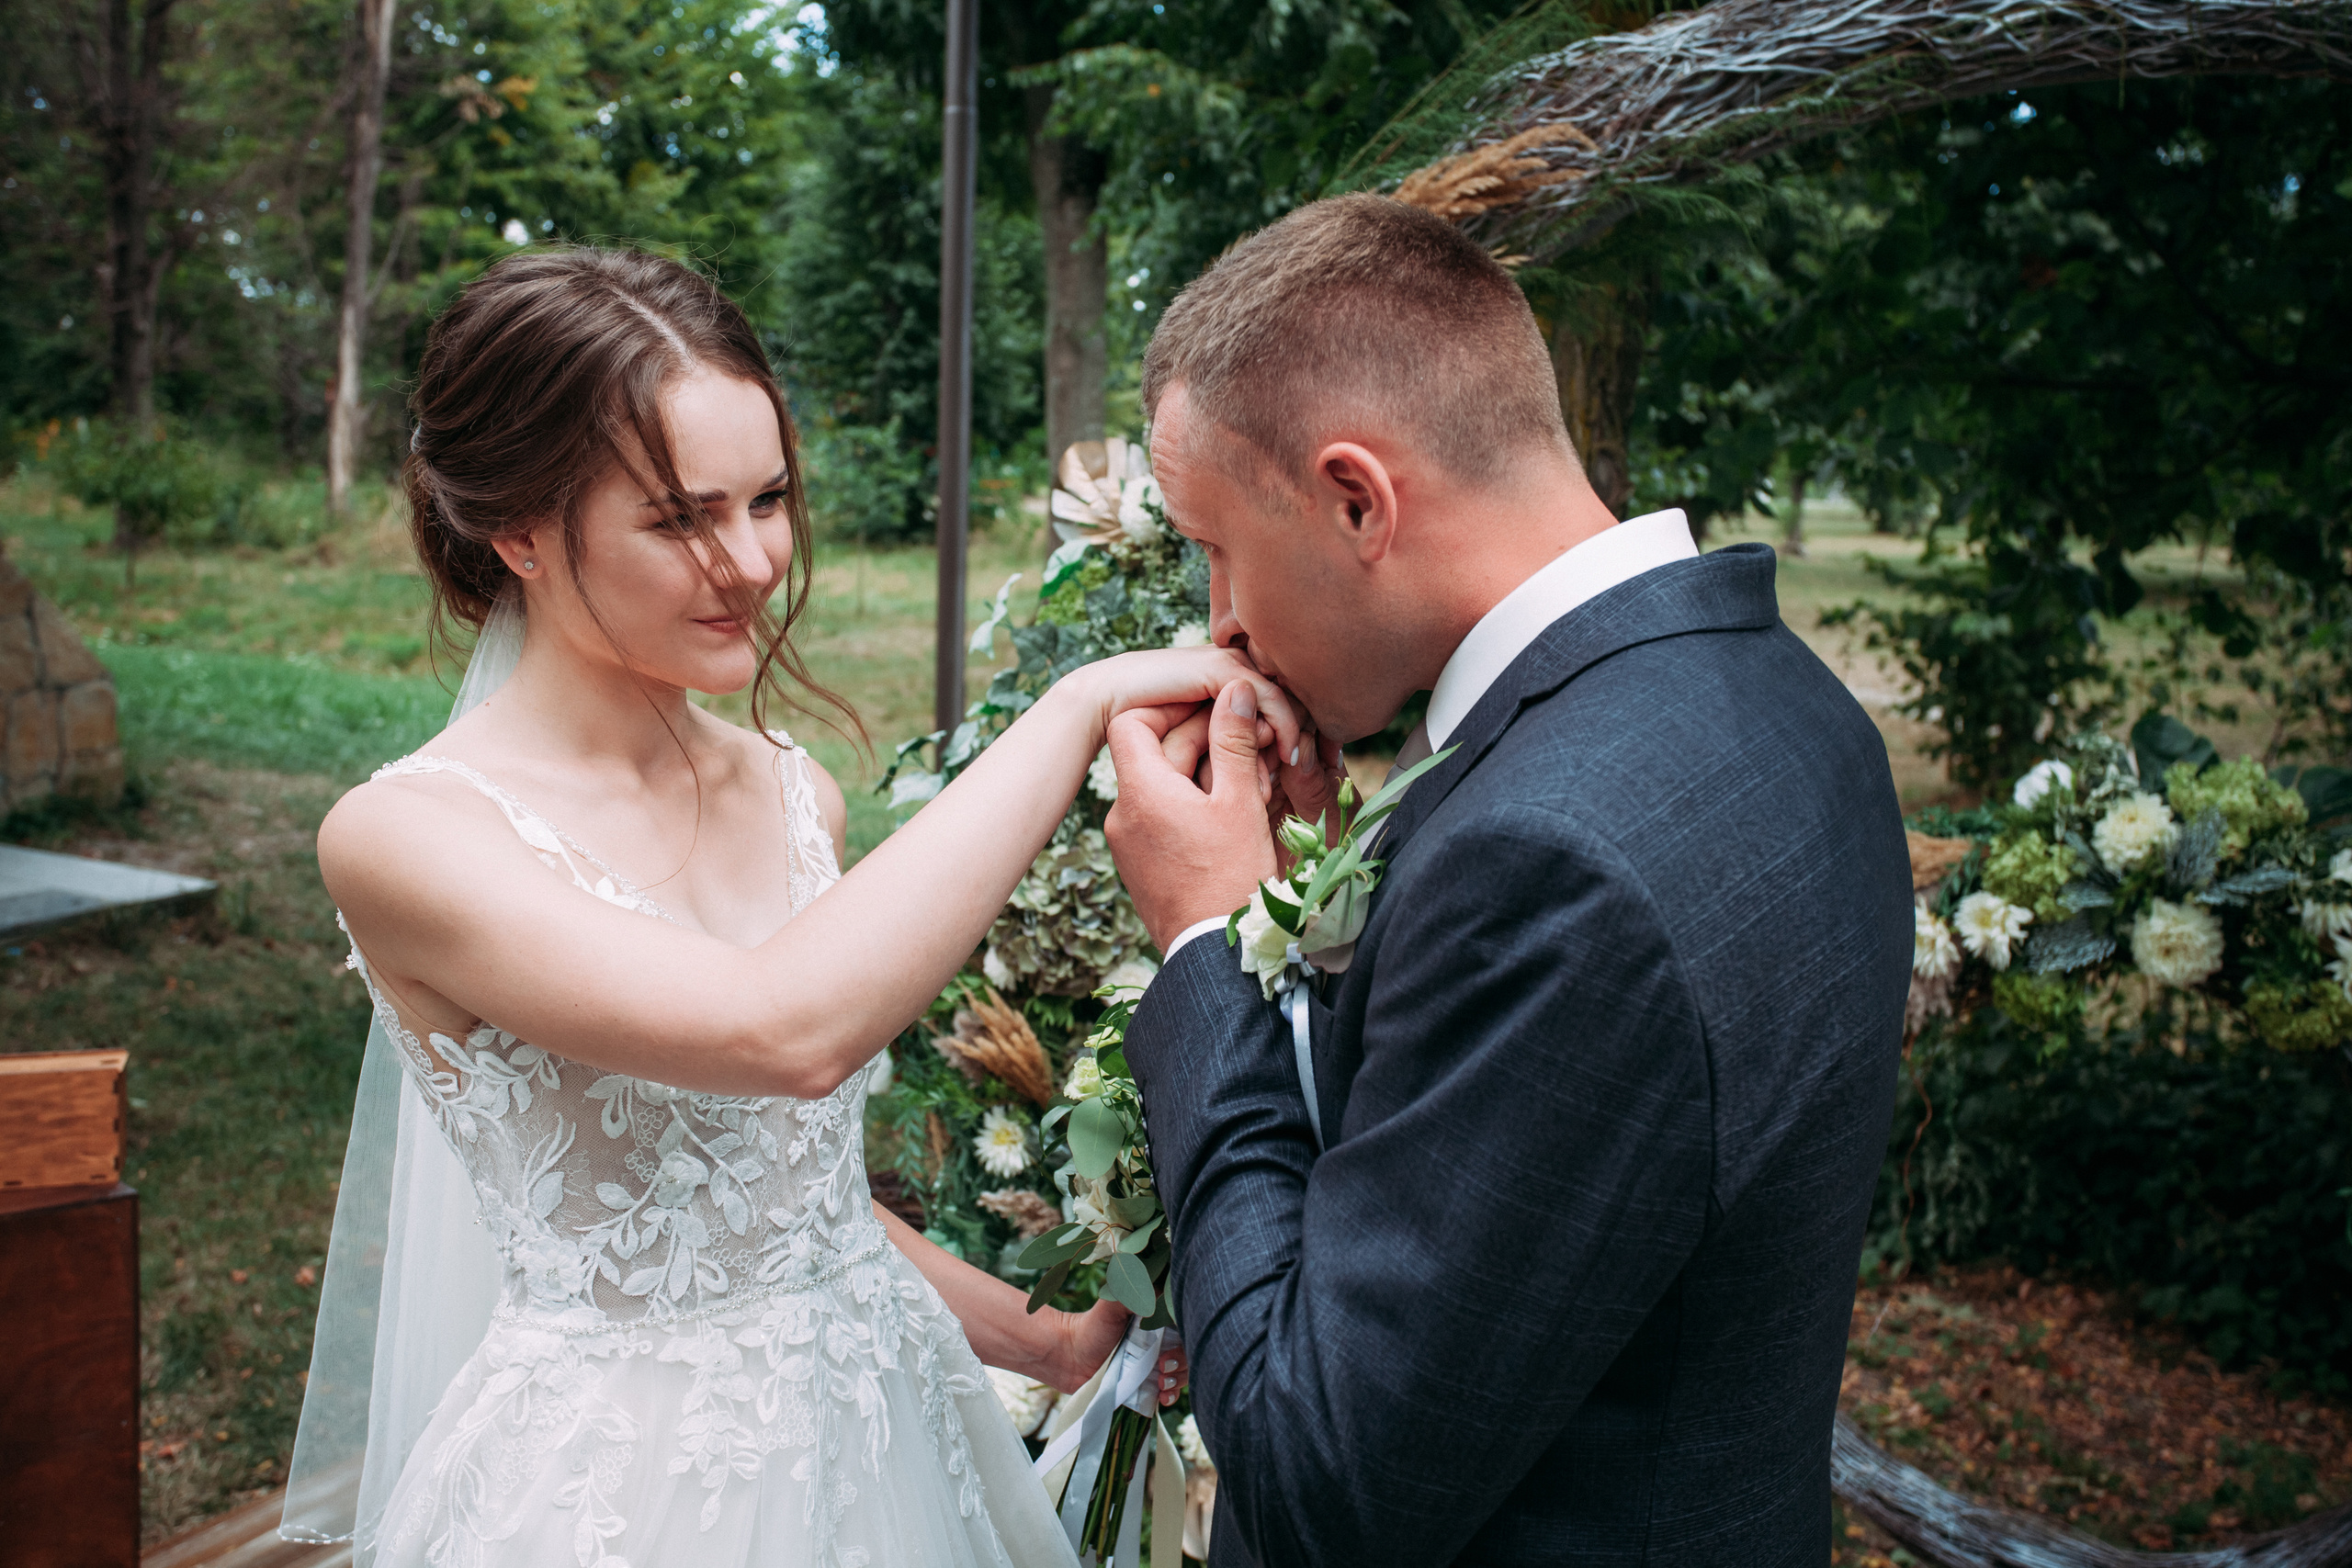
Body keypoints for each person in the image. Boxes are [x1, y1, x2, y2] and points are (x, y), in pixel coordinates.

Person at [288, 248, 1268, 1568]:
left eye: (771, 500)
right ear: (516, 532)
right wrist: (1078, 704)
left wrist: (1039, 1342)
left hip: (882, 1434)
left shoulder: (799, 795)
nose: (750, 561)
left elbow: (779, 1204)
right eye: (684, 518)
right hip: (627, 1495)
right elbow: (782, 1032)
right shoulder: (410, 839)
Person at [1101, 195, 1914, 1565]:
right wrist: (1330, 903)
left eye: (1220, 547)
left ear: (1358, 497)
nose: (1222, 618)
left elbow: (1320, 1483)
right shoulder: (1777, 700)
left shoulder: (1552, 860)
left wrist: (1202, 948)